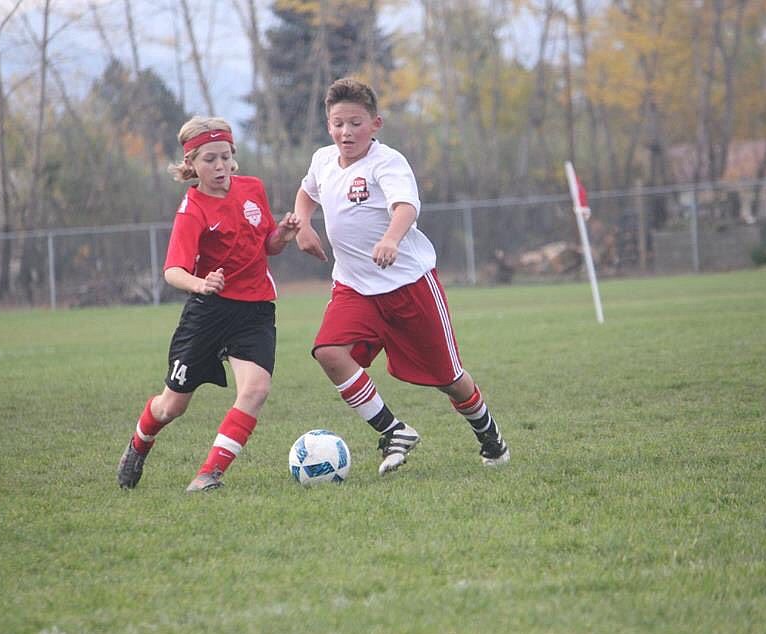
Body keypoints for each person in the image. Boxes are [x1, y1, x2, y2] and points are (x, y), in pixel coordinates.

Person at [294, 78, 509, 476]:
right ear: (328, 126)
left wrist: (392, 239)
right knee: (328, 351)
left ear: (375, 124)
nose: (346, 132)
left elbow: (406, 206)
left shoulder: (386, 162)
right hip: (355, 287)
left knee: (449, 378)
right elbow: (307, 192)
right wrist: (304, 224)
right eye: (338, 123)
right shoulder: (322, 160)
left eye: (356, 123)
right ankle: (393, 430)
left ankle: (489, 435)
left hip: (408, 286)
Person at [117, 115, 301, 492]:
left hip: (255, 310)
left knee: (256, 390)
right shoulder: (193, 210)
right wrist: (202, 284)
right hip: (209, 312)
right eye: (209, 160)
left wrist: (282, 234)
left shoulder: (253, 189)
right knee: (172, 407)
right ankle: (139, 444)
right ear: (191, 165)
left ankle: (208, 474)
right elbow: (172, 271)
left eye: (225, 157)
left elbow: (268, 246)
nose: (220, 167)